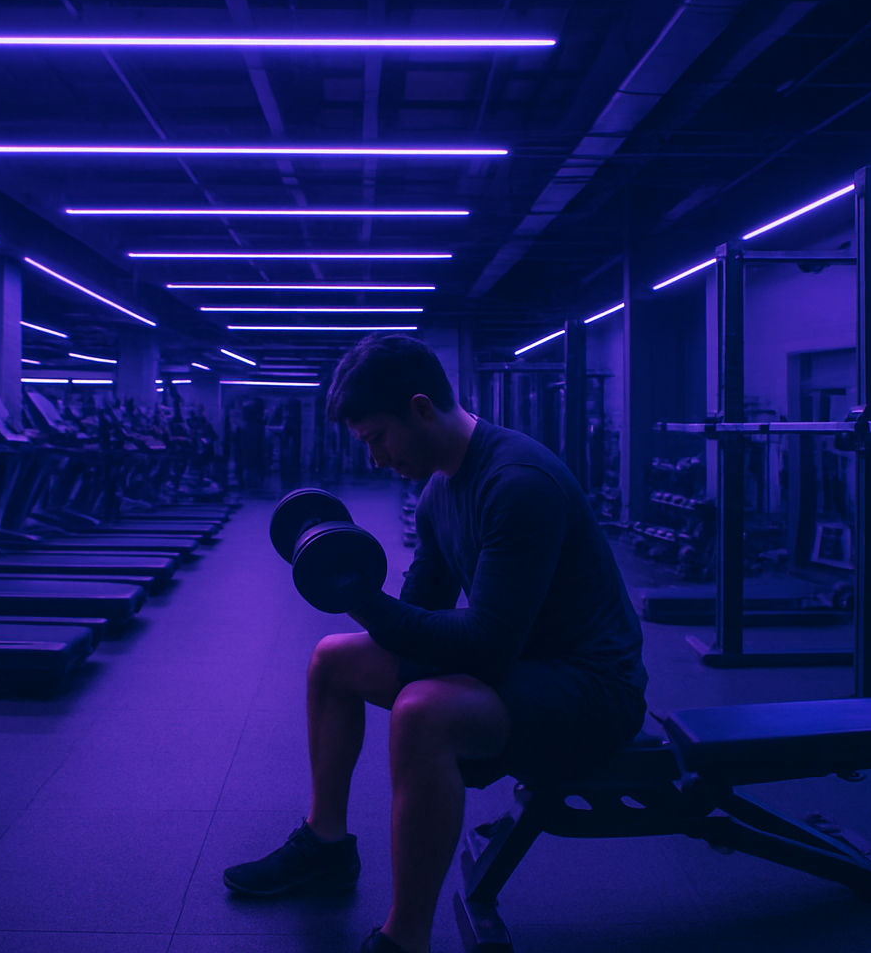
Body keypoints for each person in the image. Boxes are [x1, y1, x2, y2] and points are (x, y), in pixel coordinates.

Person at [223, 334, 648, 953]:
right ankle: (327, 845)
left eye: (377, 439)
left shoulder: (517, 482)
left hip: (591, 686)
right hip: (524, 662)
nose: (375, 458)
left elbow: (488, 643)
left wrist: (356, 593)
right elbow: (419, 613)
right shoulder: (439, 490)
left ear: (422, 409)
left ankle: (405, 938)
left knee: (424, 714)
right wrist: (356, 588)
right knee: (334, 659)